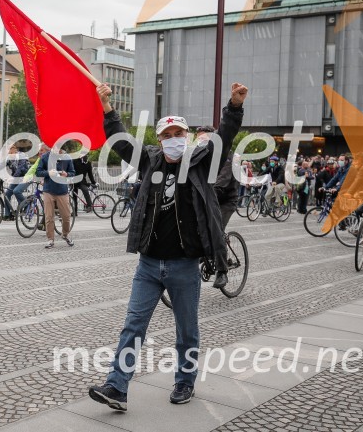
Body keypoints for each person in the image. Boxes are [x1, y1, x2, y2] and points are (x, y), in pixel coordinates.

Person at [88, 82, 247, 410]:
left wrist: (233, 107)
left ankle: (185, 382)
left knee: (186, 330)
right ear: (159, 139)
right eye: (167, 134)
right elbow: (120, 140)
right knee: (133, 325)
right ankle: (116, 387)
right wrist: (106, 105)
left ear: (187, 137)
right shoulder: (149, 160)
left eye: (179, 133)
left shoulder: (202, 162)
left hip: (184, 265)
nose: (173, 139)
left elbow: (224, 138)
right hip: (148, 265)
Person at [195, 125, 239, 229]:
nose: (200, 141)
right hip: (208, 198)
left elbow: (223, 179)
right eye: (198, 139)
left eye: (203, 139)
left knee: (216, 230)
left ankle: (221, 244)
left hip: (225, 200)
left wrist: (208, 194)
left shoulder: (226, 155)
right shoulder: (198, 154)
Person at [35, 146, 75, 249]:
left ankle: (65, 234)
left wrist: (67, 174)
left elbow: (72, 172)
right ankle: (50, 239)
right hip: (48, 190)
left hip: (62, 191)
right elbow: (38, 171)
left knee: (66, 216)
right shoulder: (45, 157)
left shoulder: (66, 157)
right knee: (49, 217)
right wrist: (48, 173)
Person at [0, 145, 29, 220]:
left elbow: (20, 169)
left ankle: (27, 205)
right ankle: (7, 215)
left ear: (14, 149)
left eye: (8, 150)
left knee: (16, 191)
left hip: (25, 178)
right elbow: (1, 166)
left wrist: (12, 178)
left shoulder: (22, 156)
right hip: (16, 178)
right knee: (7, 194)